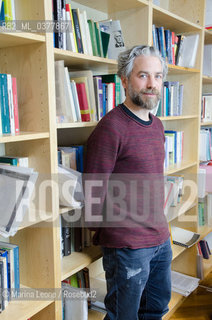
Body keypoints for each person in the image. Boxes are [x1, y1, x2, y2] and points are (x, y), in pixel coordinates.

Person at [84, 45, 172, 320]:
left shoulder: (156, 125)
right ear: (124, 80)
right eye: (143, 75)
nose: (151, 84)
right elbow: (92, 190)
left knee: (155, 310)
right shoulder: (111, 127)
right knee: (124, 317)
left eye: (157, 76)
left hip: (160, 239)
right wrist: (112, 238)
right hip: (128, 248)